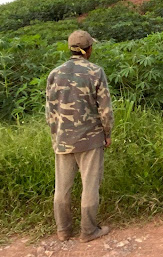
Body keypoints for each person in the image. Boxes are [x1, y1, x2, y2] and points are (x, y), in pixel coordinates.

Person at [45, 30, 114, 242]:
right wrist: (107, 133)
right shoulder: (95, 72)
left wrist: (56, 136)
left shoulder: (55, 74)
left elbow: (50, 111)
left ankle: (63, 230)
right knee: (90, 185)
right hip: (90, 139)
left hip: (63, 139)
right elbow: (105, 109)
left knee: (62, 187)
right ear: (88, 49)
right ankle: (88, 231)